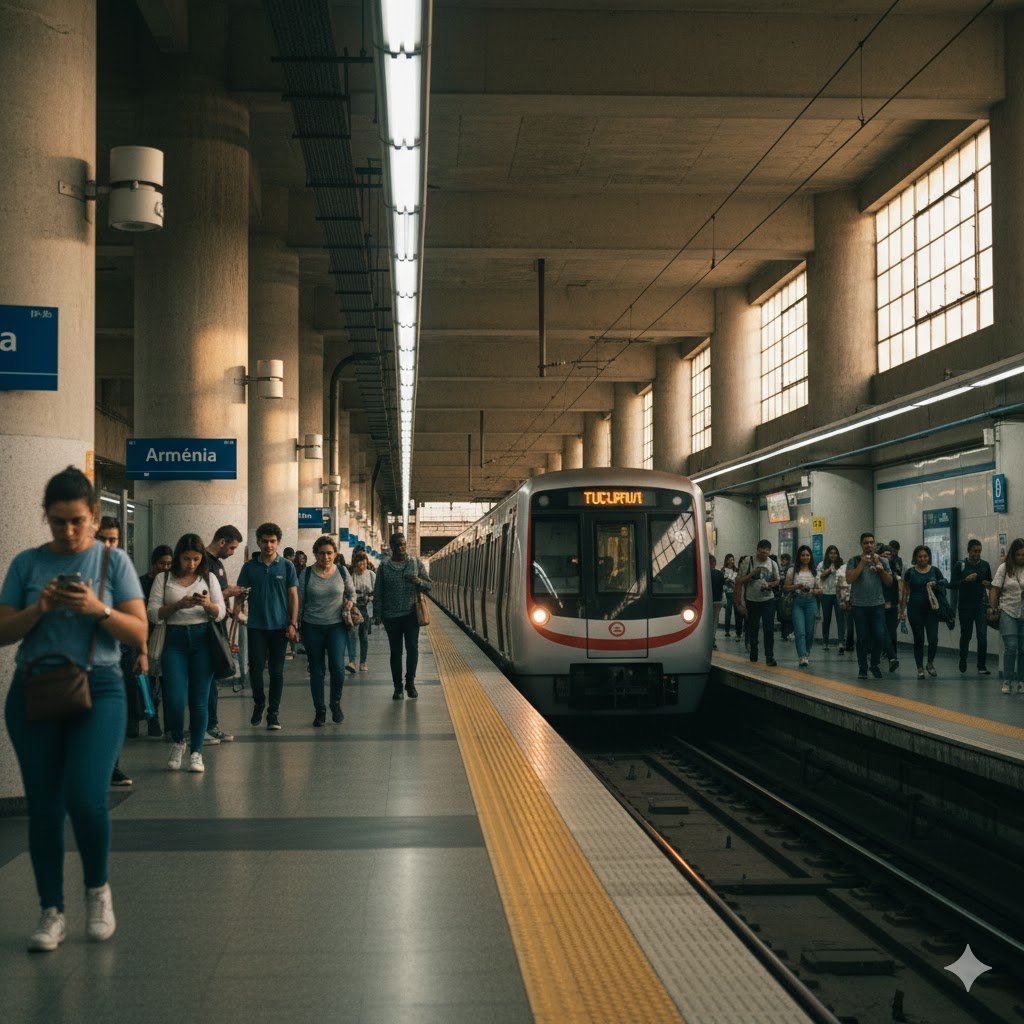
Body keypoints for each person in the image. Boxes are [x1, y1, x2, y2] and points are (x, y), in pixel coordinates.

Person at [0, 466, 147, 951]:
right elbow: (3, 631)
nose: (67, 531)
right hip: (34, 688)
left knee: (86, 797)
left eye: (77, 521)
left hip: (99, 688)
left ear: (94, 516)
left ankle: (98, 891)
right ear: (45, 517)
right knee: (44, 805)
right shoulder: (26, 564)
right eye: (58, 521)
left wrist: (97, 609)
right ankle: (51, 911)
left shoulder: (113, 562)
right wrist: (37, 609)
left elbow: (139, 631)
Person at [148, 534, 225, 773]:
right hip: (174, 641)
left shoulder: (209, 578)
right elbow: (153, 613)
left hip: (203, 640)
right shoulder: (163, 578)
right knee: (175, 699)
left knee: (199, 700)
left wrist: (207, 605)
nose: (191, 564)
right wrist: (178, 605)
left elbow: (221, 612)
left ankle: (196, 751)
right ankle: (178, 741)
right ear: (178, 556)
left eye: (196, 559)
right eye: (186, 559)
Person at [237, 522, 299, 730]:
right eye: (265, 541)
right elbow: (240, 592)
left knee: (276, 672)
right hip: (256, 626)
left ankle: (273, 713)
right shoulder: (249, 567)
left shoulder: (287, 566)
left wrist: (293, 623)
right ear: (258, 542)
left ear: (278, 542)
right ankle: (259, 702)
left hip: (280, 627)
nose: (269, 545)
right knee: (255, 668)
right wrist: (237, 611)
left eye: (272, 541)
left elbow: (293, 596)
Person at [95, 517, 138, 788]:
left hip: (118, 650)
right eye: (103, 539)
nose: (108, 545)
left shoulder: (122, 569)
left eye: (113, 540)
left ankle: (112, 766)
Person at [298, 536, 355, 726]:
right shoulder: (306, 574)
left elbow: (351, 593)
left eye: (329, 553)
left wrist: (350, 602)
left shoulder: (342, 571)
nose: (326, 557)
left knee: (338, 667)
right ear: (315, 554)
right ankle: (320, 710)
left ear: (335, 554)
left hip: (336, 626)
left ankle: (335, 703)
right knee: (317, 670)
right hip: (312, 626)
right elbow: (299, 601)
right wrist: (294, 625)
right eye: (321, 553)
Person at [373, 534, 432, 699]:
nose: (401, 548)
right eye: (398, 545)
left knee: (412, 648)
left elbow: (429, 585)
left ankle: (410, 683)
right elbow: (378, 591)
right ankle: (397, 687)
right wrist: (377, 613)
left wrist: (418, 582)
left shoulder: (415, 563)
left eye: (404, 544)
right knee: (395, 652)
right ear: (391, 546)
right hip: (391, 617)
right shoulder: (384, 567)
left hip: (411, 615)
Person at [204, 525, 245, 743]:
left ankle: (211, 724)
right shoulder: (204, 562)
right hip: (207, 630)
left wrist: (228, 603)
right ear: (222, 542)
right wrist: (228, 592)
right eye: (232, 548)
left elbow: (218, 595)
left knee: (212, 680)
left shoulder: (218, 563)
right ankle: (206, 726)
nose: (233, 552)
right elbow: (206, 595)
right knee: (207, 679)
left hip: (218, 625)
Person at [846, 532, 898, 680]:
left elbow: (889, 582)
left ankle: (874, 664)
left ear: (874, 544)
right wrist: (862, 564)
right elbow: (849, 579)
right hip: (859, 606)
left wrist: (881, 570)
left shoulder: (883, 561)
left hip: (877, 605)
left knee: (880, 636)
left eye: (871, 542)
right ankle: (862, 668)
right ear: (861, 544)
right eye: (866, 543)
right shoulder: (854, 560)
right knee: (862, 638)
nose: (869, 545)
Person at [898, 545, 946, 679]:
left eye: (925, 556)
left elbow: (943, 583)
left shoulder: (935, 571)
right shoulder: (910, 572)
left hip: (932, 610)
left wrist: (936, 584)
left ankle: (930, 663)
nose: (922, 559)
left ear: (929, 557)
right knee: (919, 639)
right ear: (915, 558)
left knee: (933, 638)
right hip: (915, 609)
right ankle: (919, 667)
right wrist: (902, 611)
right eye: (920, 556)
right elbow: (905, 592)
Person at [950, 539, 992, 674]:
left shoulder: (985, 565)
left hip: (981, 605)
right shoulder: (960, 565)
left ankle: (981, 665)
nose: (977, 554)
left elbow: (991, 584)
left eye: (979, 551)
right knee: (966, 635)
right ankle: (963, 659)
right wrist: (965, 580)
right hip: (965, 606)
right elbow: (952, 584)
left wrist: (988, 584)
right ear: (969, 551)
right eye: (975, 551)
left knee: (982, 635)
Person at [988, 538, 1024, 694]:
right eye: (1018, 554)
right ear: (1013, 554)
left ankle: (1021, 680)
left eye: (1023, 555)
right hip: (1008, 610)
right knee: (1011, 646)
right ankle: (1007, 679)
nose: (1021, 558)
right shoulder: (1004, 568)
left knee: (1023, 648)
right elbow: (994, 589)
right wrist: (992, 607)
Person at [737, 540, 780, 666]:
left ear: (769, 552)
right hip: (752, 600)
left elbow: (777, 581)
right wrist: (751, 574)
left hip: (768, 600)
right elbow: (739, 580)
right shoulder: (748, 561)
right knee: (753, 628)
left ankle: (769, 657)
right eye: (761, 553)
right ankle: (753, 653)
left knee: (769, 629)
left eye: (766, 553)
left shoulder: (772, 563)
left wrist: (770, 585)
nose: (763, 555)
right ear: (757, 550)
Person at [784, 545, 821, 667]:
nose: (805, 557)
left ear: (811, 556)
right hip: (797, 602)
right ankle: (802, 656)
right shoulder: (792, 570)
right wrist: (797, 586)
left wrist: (812, 590)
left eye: (807, 555)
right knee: (800, 631)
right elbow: (786, 587)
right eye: (803, 555)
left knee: (809, 632)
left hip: (811, 601)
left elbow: (821, 589)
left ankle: (807, 652)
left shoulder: (815, 571)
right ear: (799, 557)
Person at [350, 549, 376, 669]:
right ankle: (352, 661)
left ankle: (363, 662)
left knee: (363, 635)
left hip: (366, 606)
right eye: (360, 562)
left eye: (364, 562)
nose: (363, 565)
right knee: (352, 635)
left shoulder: (371, 574)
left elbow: (376, 590)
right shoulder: (352, 575)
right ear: (356, 563)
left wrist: (371, 598)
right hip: (354, 607)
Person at [817, 546, 845, 651]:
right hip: (826, 594)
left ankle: (841, 642)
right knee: (826, 619)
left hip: (838, 595)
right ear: (827, 554)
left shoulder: (841, 565)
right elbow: (819, 577)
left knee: (840, 619)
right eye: (831, 553)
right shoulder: (821, 564)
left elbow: (845, 578)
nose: (833, 555)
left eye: (835, 553)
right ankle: (825, 642)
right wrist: (829, 570)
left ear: (837, 554)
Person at [877, 544, 903, 658]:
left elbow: (898, 586)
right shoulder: (876, 568)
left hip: (892, 602)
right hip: (879, 603)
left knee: (892, 630)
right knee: (881, 629)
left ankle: (893, 653)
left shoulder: (895, 569)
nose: (887, 557)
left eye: (890, 555)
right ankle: (884, 650)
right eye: (885, 555)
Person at [721, 554, 739, 640]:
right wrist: (729, 582)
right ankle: (727, 631)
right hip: (728, 593)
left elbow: (737, 580)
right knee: (728, 612)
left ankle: (738, 631)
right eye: (730, 559)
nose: (732, 561)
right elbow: (724, 581)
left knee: (737, 612)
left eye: (733, 559)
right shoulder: (723, 570)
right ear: (727, 560)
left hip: (735, 593)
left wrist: (731, 582)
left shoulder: (736, 570)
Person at [776, 552, 793, 641]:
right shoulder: (780, 569)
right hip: (781, 594)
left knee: (788, 614)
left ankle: (788, 633)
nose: (783, 561)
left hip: (788, 593)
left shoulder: (790, 569)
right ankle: (784, 634)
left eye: (785, 560)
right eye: (782, 559)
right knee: (782, 614)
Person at [709, 554, 724, 650]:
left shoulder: (703, 574)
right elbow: (723, 585)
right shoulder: (719, 574)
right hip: (717, 601)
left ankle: (707, 638)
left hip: (707, 601)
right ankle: (712, 638)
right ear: (714, 563)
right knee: (714, 621)